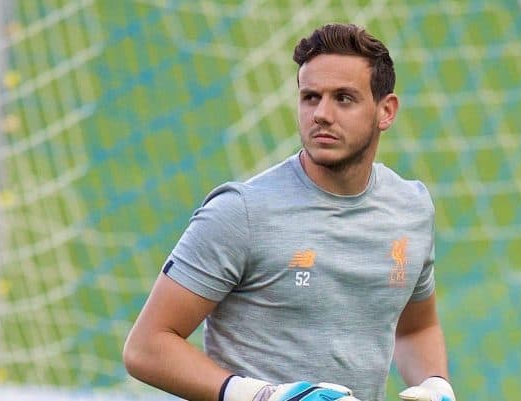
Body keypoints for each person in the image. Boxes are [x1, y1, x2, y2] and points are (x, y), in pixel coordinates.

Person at [123, 23, 456, 401]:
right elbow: (146, 347)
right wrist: (265, 397)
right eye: (310, 97)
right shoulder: (241, 212)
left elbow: (415, 328)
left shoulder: (410, 208)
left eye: (343, 98)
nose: (321, 114)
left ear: (386, 111)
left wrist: (435, 386)